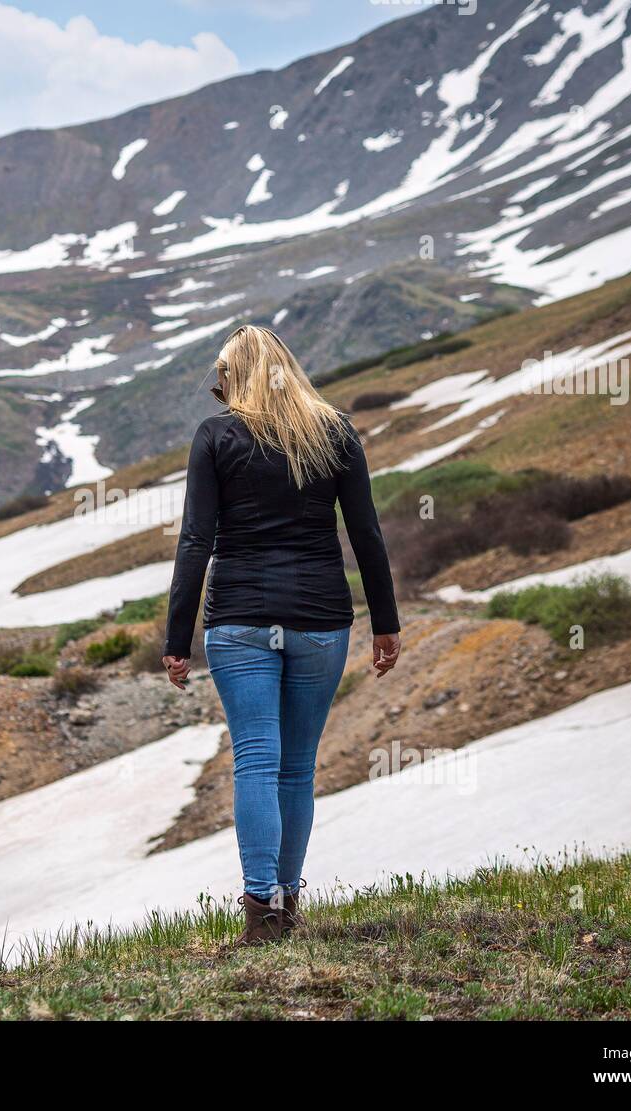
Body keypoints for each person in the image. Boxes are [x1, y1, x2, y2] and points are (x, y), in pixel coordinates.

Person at [161, 324, 401, 946]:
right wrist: (386, 623)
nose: (215, 388)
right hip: (321, 619)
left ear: (233, 376)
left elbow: (196, 540)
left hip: (239, 621)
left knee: (257, 764)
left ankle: (261, 909)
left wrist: (175, 637)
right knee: (294, 768)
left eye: (221, 376)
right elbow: (367, 533)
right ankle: (287, 902)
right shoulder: (334, 431)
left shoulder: (216, 437)